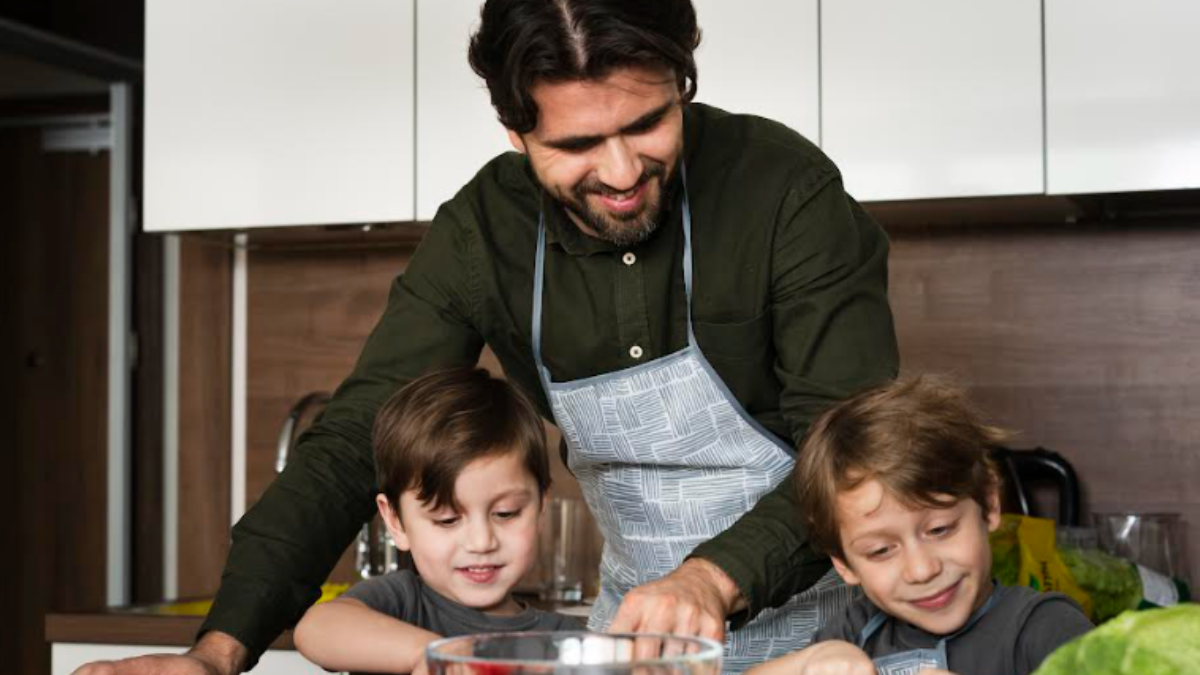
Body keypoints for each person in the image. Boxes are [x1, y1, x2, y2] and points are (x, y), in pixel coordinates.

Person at [75, 1, 898, 673]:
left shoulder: (784, 189)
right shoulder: (482, 233)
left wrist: (714, 577)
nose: (618, 172)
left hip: (827, 637)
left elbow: (851, 446)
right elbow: (352, 442)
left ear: (680, 85)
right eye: (576, 144)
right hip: (632, 648)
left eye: (647, 123)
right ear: (516, 133)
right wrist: (220, 651)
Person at [746, 375, 1093, 675]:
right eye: (881, 550)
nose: (922, 569)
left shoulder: (1046, 627)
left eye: (940, 530)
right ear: (843, 562)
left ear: (988, 503)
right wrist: (808, 661)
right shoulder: (855, 631)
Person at [292, 367, 581, 675]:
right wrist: (430, 654)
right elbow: (315, 628)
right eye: (447, 519)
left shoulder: (565, 641)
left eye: (506, 513)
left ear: (540, 507)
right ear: (396, 522)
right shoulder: (400, 603)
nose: (481, 542)